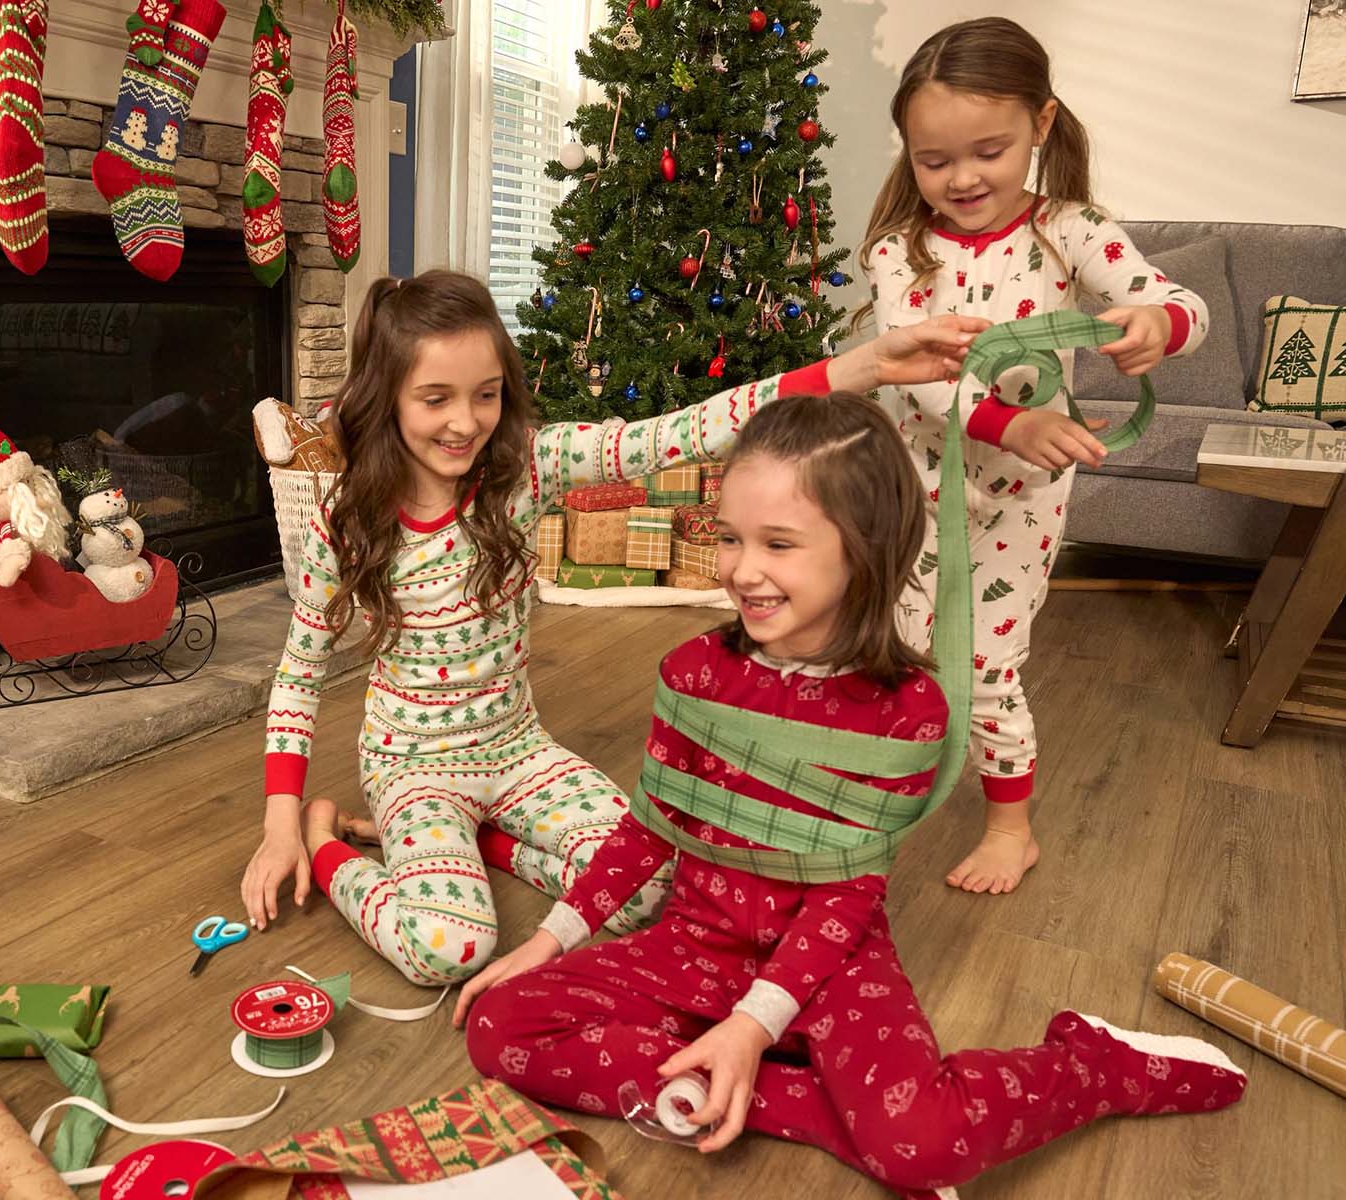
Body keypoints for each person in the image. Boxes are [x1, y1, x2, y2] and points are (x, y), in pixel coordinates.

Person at [456, 390, 1245, 1198]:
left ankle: (1092, 1065)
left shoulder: (908, 712)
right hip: (696, 944)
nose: (742, 568)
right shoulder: (694, 674)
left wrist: (756, 1020)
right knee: (500, 1026)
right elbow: (648, 833)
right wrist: (548, 941)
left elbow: (845, 897)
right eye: (729, 537)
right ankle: (793, 1086)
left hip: (831, 965)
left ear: (863, 551)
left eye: (779, 544)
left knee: (922, 1148)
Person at [239, 267, 986, 985]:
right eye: (436, 398)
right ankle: (328, 838)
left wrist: (864, 365)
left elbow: (689, 430)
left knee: (652, 890)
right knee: (448, 947)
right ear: (386, 397)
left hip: (516, 750)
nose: (466, 421)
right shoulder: (349, 524)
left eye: (487, 394)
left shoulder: (526, 467)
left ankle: (488, 843)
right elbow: (299, 674)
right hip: (413, 767)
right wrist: (282, 829)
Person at [859, 17, 1209, 894]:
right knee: (897, 646)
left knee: (984, 664)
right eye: (935, 160)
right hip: (914, 491)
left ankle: (1011, 827)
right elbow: (920, 373)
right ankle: (887, 789)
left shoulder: (1071, 231)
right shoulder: (899, 252)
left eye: (989, 150)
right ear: (908, 148)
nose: (963, 178)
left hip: (1022, 499)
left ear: (1041, 126)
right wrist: (1004, 425)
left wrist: (1153, 325)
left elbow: (1178, 303)